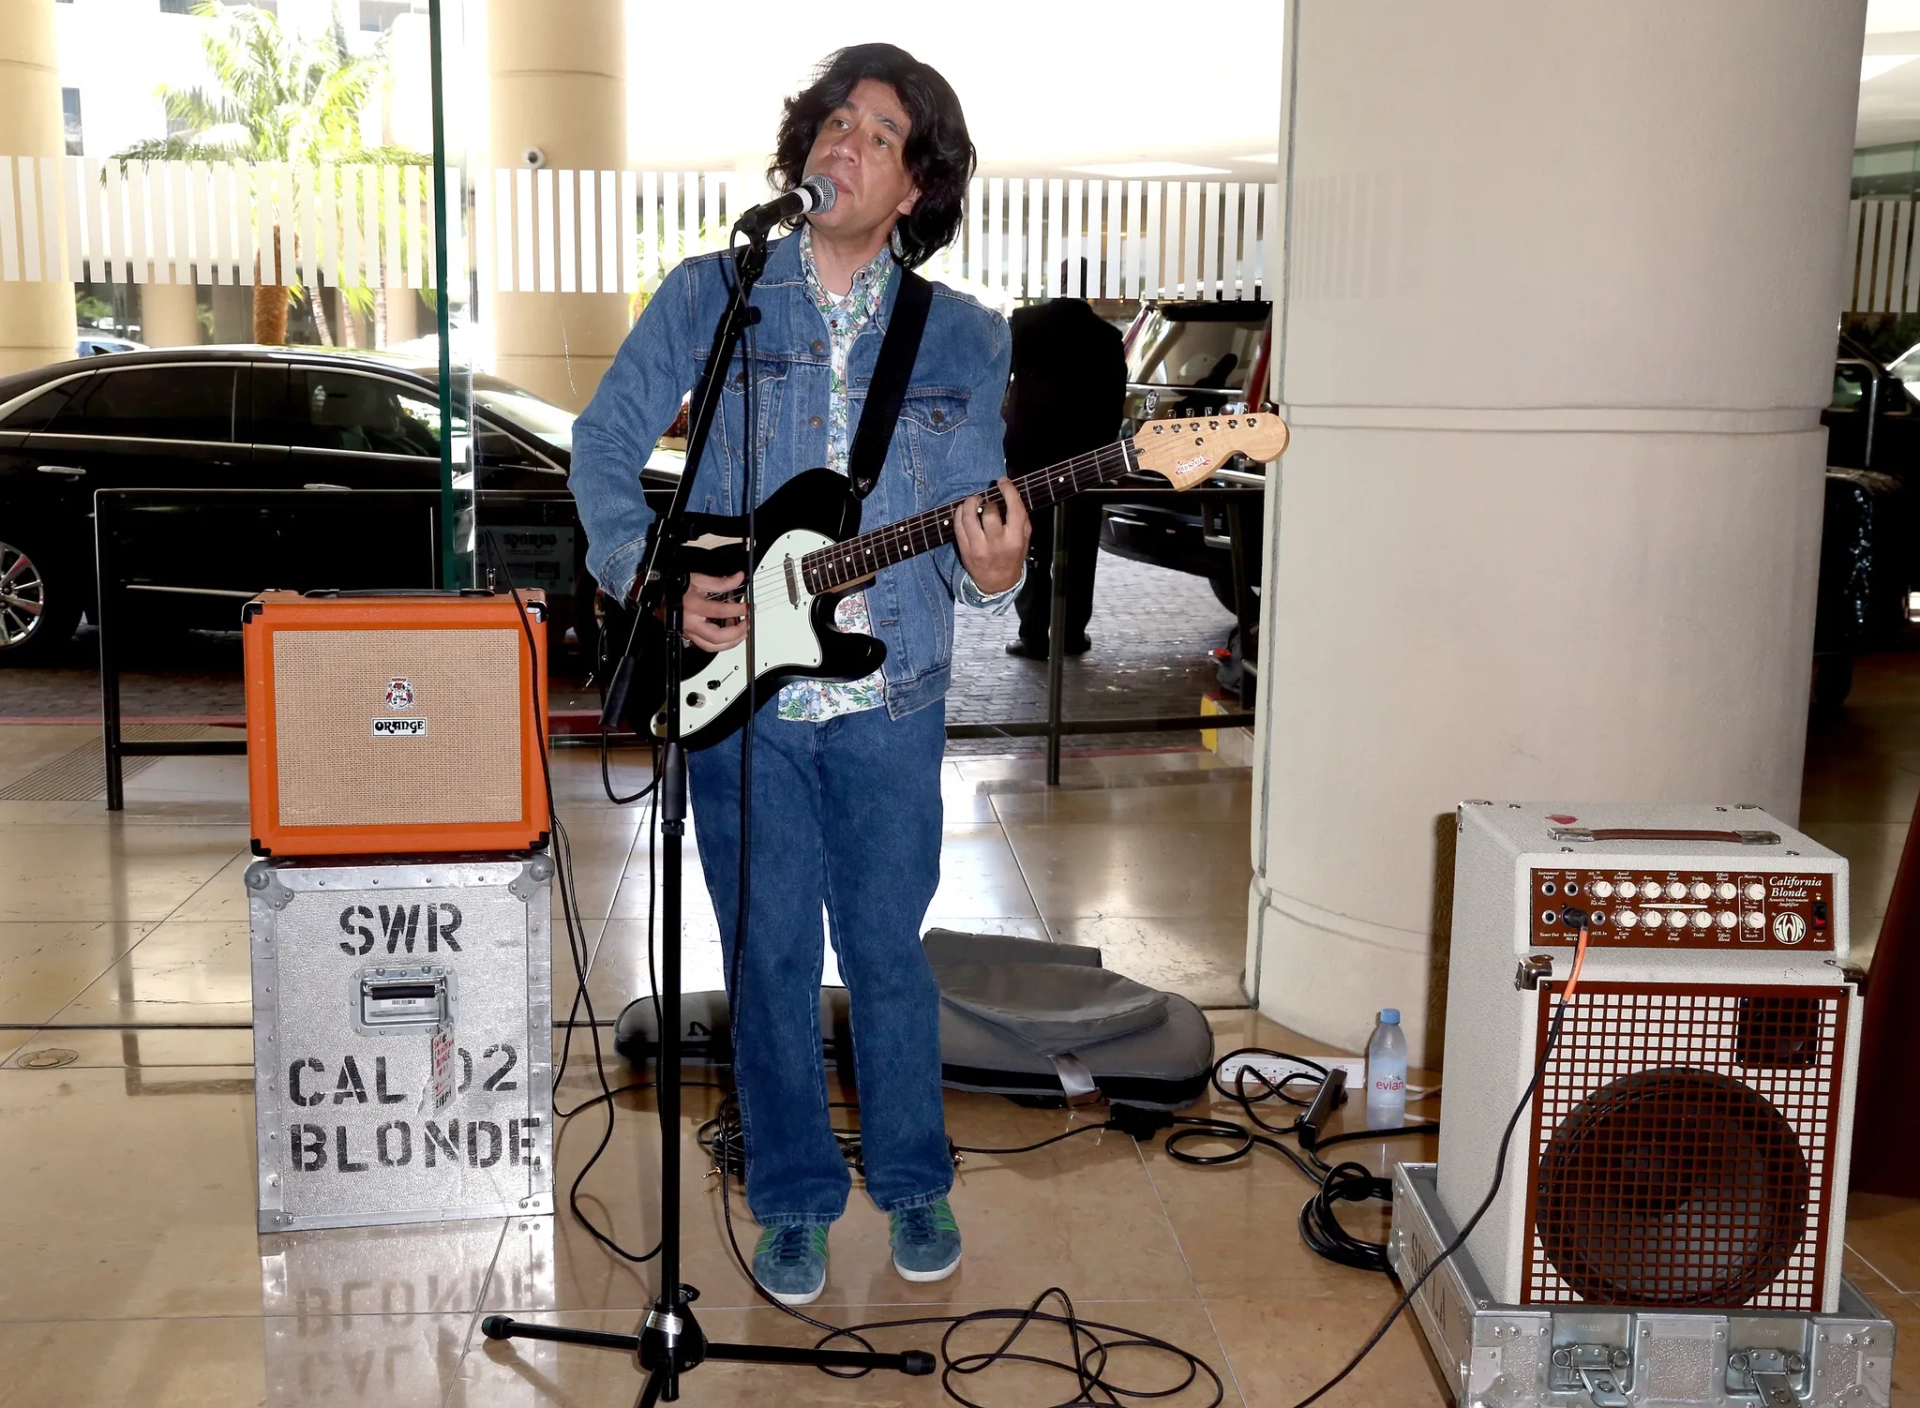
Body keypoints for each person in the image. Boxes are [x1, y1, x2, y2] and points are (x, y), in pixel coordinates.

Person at [568, 44, 1028, 1306]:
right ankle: (791, 1197)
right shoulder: (717, 295)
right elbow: (603, 439)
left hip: (891, 697)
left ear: (919, 186)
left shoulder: (965, 338)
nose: (847, 144)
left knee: (886, 951)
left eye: (882, 135)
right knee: (767, 955)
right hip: (737, 696)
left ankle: (917, 1173)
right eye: (836, 122)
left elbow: (983, 526)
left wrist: (998, 570)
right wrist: (650, 574)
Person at [1002, 279, 1126, 658]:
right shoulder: (1105, 336)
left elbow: (999, 381)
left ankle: (1034, 634)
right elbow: (1113, 400)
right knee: (1079, 547)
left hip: (1030, 454)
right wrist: (1105, 454)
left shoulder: (1023, 323)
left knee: (1031, 541)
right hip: (1083, 458)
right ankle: (1072, 634)